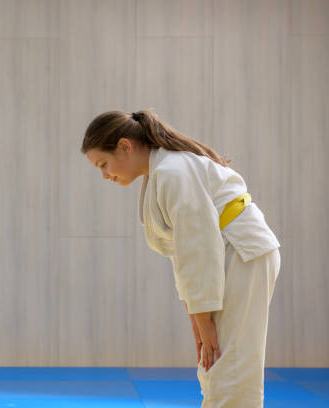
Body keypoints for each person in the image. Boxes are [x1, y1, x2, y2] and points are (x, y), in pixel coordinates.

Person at [82, 110, 280, 407]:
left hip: (242, 254)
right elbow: (184, 251)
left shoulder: (172, 171)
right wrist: (195, 313)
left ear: (125, 146)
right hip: (233, 255)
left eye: (103, 164)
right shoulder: (162, 172)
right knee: (215, 364)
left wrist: (203, 316)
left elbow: (197, 244)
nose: (104, 175)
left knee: (230, 368)